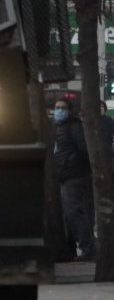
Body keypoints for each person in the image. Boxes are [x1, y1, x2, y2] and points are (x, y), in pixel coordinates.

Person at [52, 98, 95, 261]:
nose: (59, 110)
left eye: (62, 108)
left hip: (74, 175)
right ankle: (77, 248)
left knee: (73, 212)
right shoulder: (59, 127)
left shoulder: (74, 126)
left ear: (69, 111)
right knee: (70, 213)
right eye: (57, 107)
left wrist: (73, 165)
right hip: (65, 174)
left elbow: (83, 150)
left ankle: (88, 248)